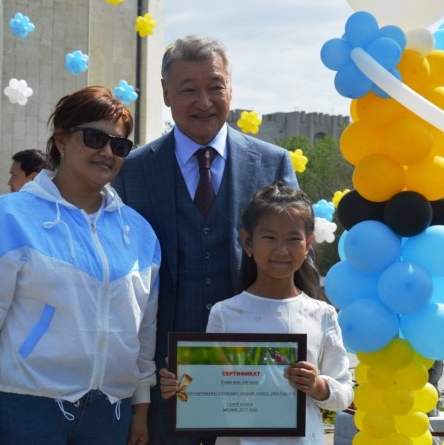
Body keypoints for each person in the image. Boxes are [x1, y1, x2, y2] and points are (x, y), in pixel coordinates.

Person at [113, 35, 302, 444]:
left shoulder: (272, 163)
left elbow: (300, 264)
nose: (204, 102)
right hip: (163, 378)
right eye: (188, 90)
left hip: (253, 370)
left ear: (231, 89)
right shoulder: (132, 171)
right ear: (166, 93)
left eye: (215, 87)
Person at [0, 86, 160, 445]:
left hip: (111, 412)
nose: (107, 152)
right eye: (95, 138)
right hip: (27, 405)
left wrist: (140, 407)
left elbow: (144, 330)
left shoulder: (139, 232)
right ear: (61, 140)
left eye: (119, 145)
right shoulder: (11, 215)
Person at [159, 183, 354, 444]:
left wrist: (318, 386)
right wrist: (181, 385)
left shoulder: (322, 314)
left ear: (308, 244)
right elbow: (210, 388)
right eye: (270, 238)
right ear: (248, 242)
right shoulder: (225, 313)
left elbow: (345, 392)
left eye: (293, 239)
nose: (282, 250)